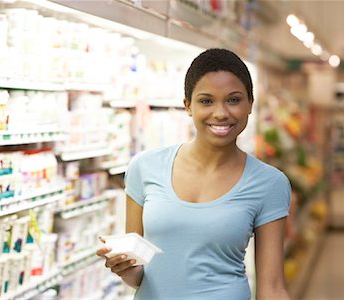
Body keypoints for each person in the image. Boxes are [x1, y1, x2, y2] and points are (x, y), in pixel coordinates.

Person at [96, 48, 292, 300]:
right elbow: (139, 276)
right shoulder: (144, 168)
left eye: (233, 99)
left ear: (250, 104)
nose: (221, 113)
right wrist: (125, 267)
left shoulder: (269, 183)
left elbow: (272, 288)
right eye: (206, 101)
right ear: (187, 105)